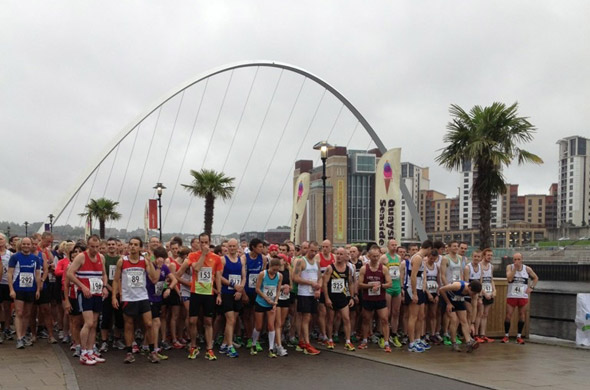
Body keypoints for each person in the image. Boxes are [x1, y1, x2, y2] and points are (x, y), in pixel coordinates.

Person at [112, 237, 161, 364]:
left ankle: (151, 351)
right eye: (131, 244)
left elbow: (154, 278)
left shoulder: (144, 261)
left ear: (140, 247)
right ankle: (129, 353)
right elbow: (116, 280)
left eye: (136, 245)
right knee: (129, 326)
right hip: (128, 298)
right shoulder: (122, 261)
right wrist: (114, 297)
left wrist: (151, 262)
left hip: (142, 297)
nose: (133, 246)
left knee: (149, 324)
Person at [175, 233, 222, 361]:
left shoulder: (216, 258)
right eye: (202, 242)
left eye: (206, 242)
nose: (204, 245)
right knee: (192, 321)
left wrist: (219, 294)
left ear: (210, 242)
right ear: (198, 243)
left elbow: (217, 277)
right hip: (195, 292)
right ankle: (193, 346)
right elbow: (196, 269)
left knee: (208, 321)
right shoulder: (193, 256)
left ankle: (209, 348)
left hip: (208, 294)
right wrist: (203, 254)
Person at [68, 235, 108, 365]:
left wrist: (104, 287)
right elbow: (70, 273)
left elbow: (104, 274)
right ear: (88, 245)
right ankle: (83, 352)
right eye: (92, 247)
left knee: (95, 323)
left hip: (96, 292)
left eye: (97, 247)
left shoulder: (101, 257)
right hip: (85, 294)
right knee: (88, 322)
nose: (95, 249)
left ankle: (91, 351)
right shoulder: (81, 257)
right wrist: (82, 286)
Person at [7, 237, 42, 349]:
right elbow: (9, 274)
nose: (26, 246)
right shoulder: (15, 257)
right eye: (24, 244)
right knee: (19, 312)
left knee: (27, 314)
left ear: (31, 245)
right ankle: (19, 338)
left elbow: (37, 275)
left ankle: (23, 335)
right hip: (18, 288)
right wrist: (11, 289)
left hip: (30, 289)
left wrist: (37, 289)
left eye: (28, 244)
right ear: (21, 245)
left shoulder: (35, 258)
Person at [358, 245, 392, 352]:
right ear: (369, 256)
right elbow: (359, 284)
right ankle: (364, 340)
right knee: (366, 320)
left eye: (377, 256)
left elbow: (389, 283)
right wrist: (370, 286)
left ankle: (386, 343)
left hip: (380, 298)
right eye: (373, 256)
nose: (375, 258)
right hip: (368, 298)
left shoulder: (384, 268)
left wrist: (381, 286)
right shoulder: (364, 268)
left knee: (385, 319)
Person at [215, 238, 245, 358]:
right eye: (230, 246)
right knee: (230, 320)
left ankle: (224, 344)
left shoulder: (240, 260)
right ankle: (229, 346)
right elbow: (219, 277)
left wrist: (240, 289)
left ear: (237, 247)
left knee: (233, 320)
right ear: (227, 247)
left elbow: (243, 277)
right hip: (227, 292)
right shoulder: (223, 260)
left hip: (237, 293)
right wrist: (233, 285)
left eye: (234, 246)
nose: (232, 248)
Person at [146, 246, 177, 360]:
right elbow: (154, 279)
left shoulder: (165, 267)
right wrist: (158, 267)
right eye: (159, 258)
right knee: (155, 322)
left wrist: (169, 288)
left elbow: (174, 279)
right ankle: (154, 348)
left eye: (163, 258)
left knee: (154, 323)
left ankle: (148, 346)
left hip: (158, 298)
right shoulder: (151, 266)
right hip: (149, 298)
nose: (161, 260)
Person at [323, 247, 356, 351]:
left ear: (346, 256)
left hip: (342, 297)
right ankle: (330, 339)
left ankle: (348, 341)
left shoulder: (348, 269)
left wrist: (351, 297)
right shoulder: (330, 268)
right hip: (332, 297)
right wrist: (327, 298)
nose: (339, 256)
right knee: (330, 319)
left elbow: (350, 283)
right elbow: (324, 283)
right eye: (337, 254)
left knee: (346, 318)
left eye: (341, 254)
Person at [502, 253, 539, 344]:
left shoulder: (527, 269)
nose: (517, 261)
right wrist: (515, 268)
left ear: (522, 259)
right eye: (515, 259)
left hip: (523, 296)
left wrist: (531, 287)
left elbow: (535, 278)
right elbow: (509, 279)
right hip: (512, 295)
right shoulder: (509, 267)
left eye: (518, 259)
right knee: (508, 315)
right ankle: (506, 335)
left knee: (522, 315)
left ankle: (519, 336)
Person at [292, 241, 321, 355]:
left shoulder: (316, 262)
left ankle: (302, 341)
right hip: (304, 293)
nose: (313, 253)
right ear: (307, 249)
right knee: (306, 317)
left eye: (315, 251)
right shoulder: (301, 261)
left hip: (313, 293)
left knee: (309, 318)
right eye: (311, 250)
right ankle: (306, 343)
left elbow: (320, 277)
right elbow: (295, 277)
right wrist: (310, 283)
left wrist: (318, 288)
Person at [439, 280, 482, 352]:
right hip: (448, 298)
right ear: (469, 288)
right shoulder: (458, 286)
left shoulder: (474, 294)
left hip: (459, 300)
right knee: (454, 320)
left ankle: (468, 342)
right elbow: (441, 290)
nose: (473, 295)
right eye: (473, 293)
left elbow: (474, 307)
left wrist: (472, 324)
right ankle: (454, 343)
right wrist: (448, 303)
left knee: (464, 321)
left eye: (475, 293)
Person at [251, 257, 282, 357]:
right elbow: (257, 289)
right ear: (270, 267)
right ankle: (254, 344)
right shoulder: (262, 274)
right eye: (273, 270)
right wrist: (266, 298)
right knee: (259, 326)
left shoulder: (279, 276)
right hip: (261, 302)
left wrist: (275, 301)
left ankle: (271, 348)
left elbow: (278, 290)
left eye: (277, 270)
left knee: (271, 325)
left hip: (271, 303)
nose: (275, 272)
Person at [404, 240, 431, 353]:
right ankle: (411, 342)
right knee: (413, 316)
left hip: (420, 288)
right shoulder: (417, 258)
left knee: (421, 315)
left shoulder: (421, 258)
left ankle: (418, 338)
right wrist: (414, 293)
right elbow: (413, 276)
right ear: (428, 248)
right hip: (413, 288)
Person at [99, 238, 124, 352]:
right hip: (107, 291)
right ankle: (104, 341)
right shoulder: (104, 258)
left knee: (119, 318)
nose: (111, 246)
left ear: (117, 246)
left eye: (113, 244)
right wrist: (109, 288)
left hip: (119, 292)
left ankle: (117, 339)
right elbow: (102, 274)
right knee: (106, 317)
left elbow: (122, 277)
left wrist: (119, 291)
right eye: (109, 244)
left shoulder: (121, 259)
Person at [242, 238, 267, 352]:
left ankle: (255, 339)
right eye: (260, 247)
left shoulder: (263, 259)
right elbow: (242, 275)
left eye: (262, 247)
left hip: (257, 291)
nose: (262, 249)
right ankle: (248, 337)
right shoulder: (244, 258)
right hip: (247, 290)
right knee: (246, 315)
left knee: (256, 315)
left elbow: (263, 274)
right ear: (253, 247)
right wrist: (243, 293)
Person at [380, 239, 402, 348]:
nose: (394, 246)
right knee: (386, 313)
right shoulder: (384, 258)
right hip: (388, 287)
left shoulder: (399, 258)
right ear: (388, 246)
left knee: (396, 312)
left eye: (395, 245)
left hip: (397, 286)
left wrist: (401, 287)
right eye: (392, 245)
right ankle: (383, 336)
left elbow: (400, 273)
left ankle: (394, 334)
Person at [314, 240, 335, 344]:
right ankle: (323, 334)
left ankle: (329, 333)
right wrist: (318, 288)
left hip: (332, 288)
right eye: (323, 247)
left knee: (330, 314)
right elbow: (318, 274)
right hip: (322, 288)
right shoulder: (318, 257)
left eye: (327, 247)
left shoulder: (334, 257)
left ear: (331, 247)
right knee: (322, 312)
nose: (325, 249)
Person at [274, 253, 291, 357]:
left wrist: (288, 287)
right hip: (277, 298)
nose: (279, 260)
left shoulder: (288, 271)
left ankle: (277, 342)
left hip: (286, 297)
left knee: (282, 322)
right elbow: (271, 286)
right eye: (278, 258)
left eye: (281, 259)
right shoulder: (275, 272)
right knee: (278, 322)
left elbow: (292, 284)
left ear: (285, 261)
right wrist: (282, 287)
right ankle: (278, 344)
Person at [478, 248, 496, 343]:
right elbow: (479, 281)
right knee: (479, 314)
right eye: (488, 255)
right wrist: (483, 293)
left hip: (489, 292)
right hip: (482, 292)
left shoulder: (491, 267)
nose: (490, 257)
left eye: (491, 255)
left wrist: (494, 290)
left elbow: (491, 279)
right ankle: (476, 334)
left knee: (485, 314)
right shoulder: (479, 266)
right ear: (484, 255)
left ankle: (483, 334)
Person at [463, 250, 482, 342]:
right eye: (475, 256)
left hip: (476, 293)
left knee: (474, 311)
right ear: (472, 256)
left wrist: (480, 295)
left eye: (478, 257)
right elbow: (466, 282)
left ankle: (471, 331)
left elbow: (480, 281)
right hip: (468, 293)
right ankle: (466, 334)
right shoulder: (468, 268)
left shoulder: (480, 267)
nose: (476, 258)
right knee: (468, 313)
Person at [424, 250, 442, 343]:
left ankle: (433, 333)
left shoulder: (437, 267)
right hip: (426, 292)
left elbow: (438, 281)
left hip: (434, 291)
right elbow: (423, 281)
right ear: (428, 256)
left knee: (433, 314)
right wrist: (428, 293)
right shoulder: (424, 266)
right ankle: (425, 333)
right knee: (424, 314)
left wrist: (437, 294)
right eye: (431, 258)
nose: (432, 260)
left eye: (434, 259)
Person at [0, 233, 14, 343]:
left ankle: (7, 328)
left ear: (5, 241)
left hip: (7, 283)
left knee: (7, 307)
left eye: (1, 239)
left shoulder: (10, 254)